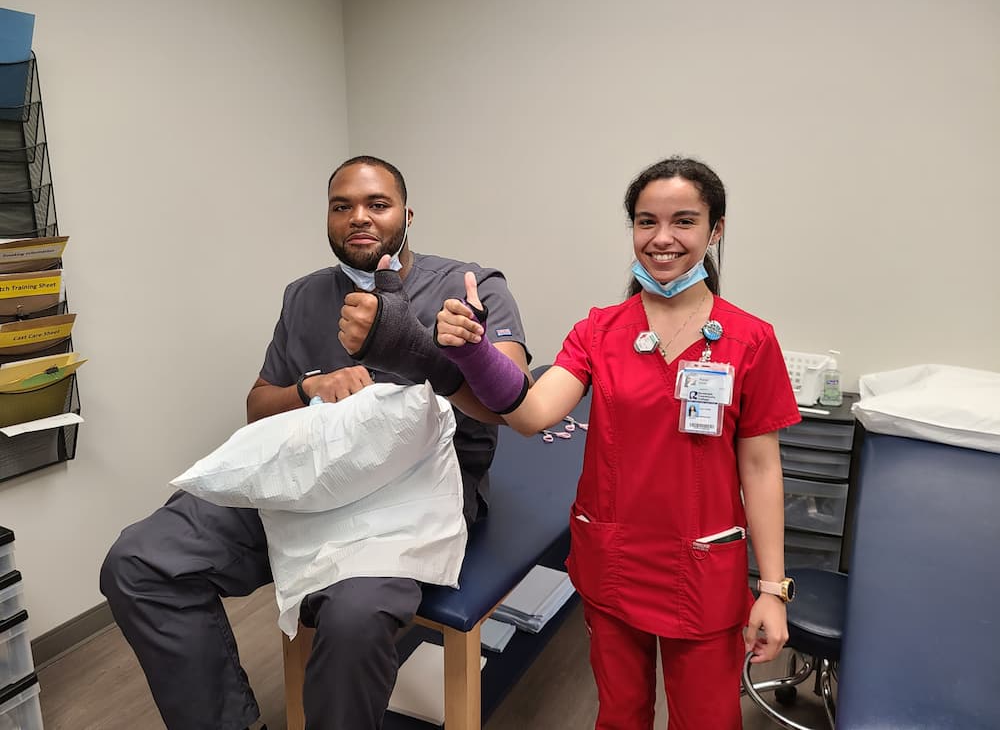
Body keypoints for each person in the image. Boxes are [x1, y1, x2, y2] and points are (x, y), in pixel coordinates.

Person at [99, 156, 531, 730]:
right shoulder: (303, 297)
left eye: (378, 204)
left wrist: (421, 349)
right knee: (138, 561)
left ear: (407, 214)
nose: (360, 217)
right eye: (342, 206)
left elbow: (514, 400)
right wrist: (311, 387)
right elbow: (258, 407)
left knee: (353, 619)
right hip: (308, 479)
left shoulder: (467, 285)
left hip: (414, 496)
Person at [435, 157, 800, 729]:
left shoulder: (751, 340)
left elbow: (760, 468)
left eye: (684, 221)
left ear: (716, 229)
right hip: (614, 561)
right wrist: (474, 353)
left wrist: (773, 589)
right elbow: (530, 413)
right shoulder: (599, 331)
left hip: (701, 567)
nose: (662, 238)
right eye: (645, 221)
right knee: (621, 715)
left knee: (708, 720)